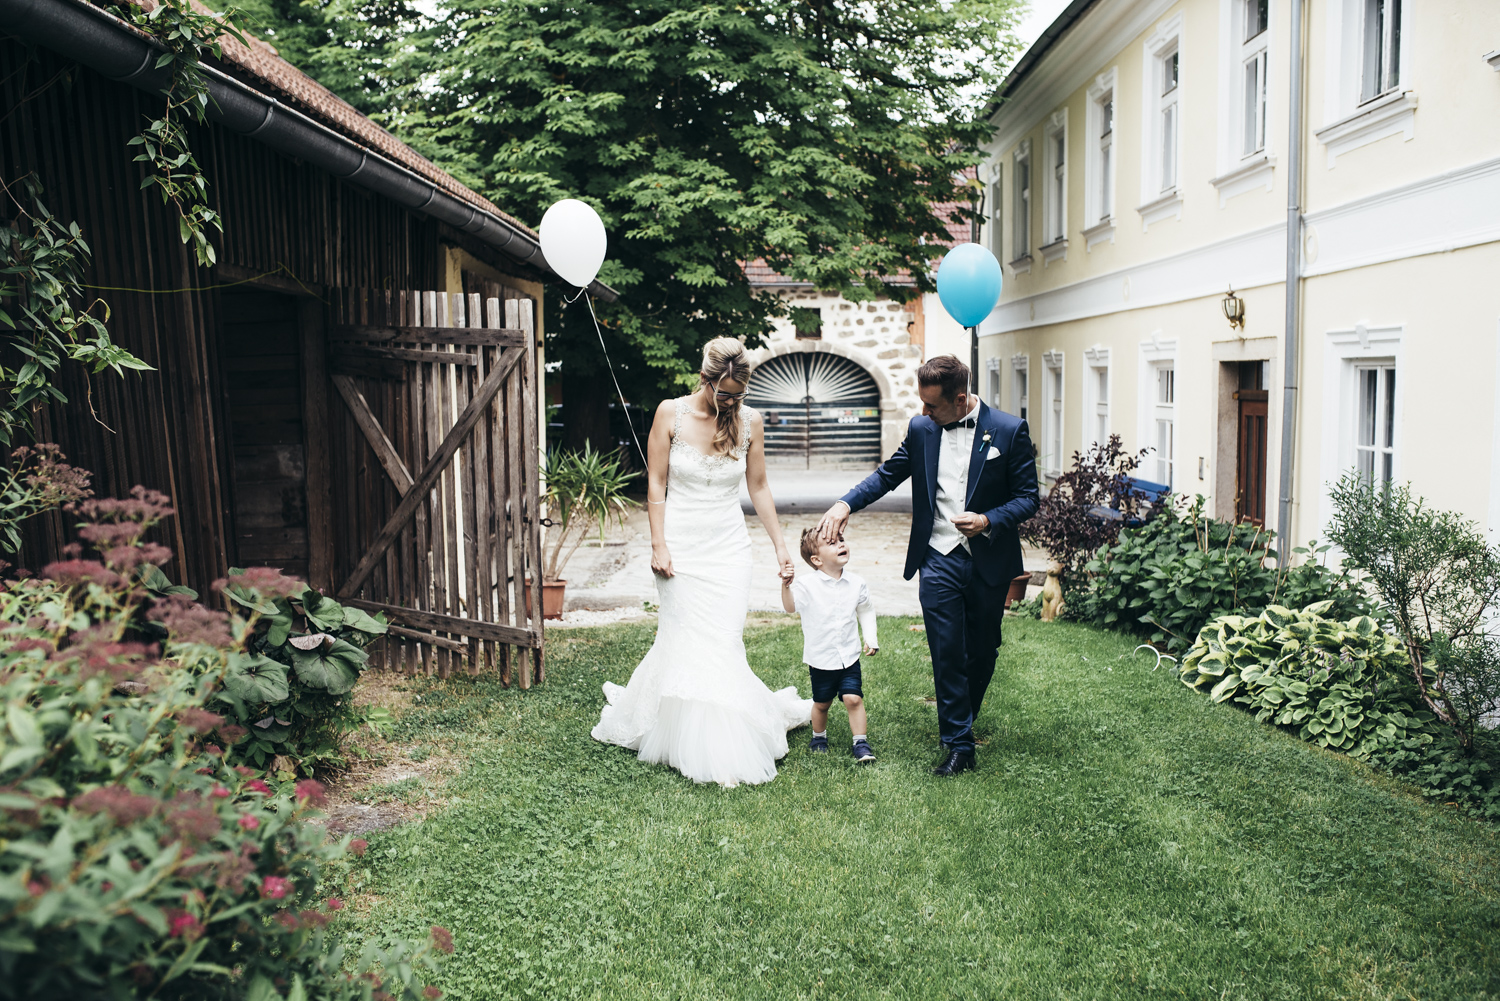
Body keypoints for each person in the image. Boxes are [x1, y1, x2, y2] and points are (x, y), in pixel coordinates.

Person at [591, 337, 812, 786]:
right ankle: (678, 733)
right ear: (706, 378)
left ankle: (723, 733)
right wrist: (658, 544)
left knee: (724, 640)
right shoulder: (669, 413)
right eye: (724, 392)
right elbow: (655, 481)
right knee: (683, 637)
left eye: (739, 393)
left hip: (729, 550)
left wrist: (780, 546)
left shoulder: (750, 421)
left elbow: (760, 486)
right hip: (681, 545)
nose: (731, 401)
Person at [816, 355, 1038, 777]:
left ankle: (961, 718)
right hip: (937, 557)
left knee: (983, 648)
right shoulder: (922, 429)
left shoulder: (1010, 430)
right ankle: (959, 743)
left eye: (932, 405)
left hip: (988, 558)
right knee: (946, 649)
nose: (924, 412)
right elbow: (888, 475)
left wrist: (988, 520)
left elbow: (1028, 498)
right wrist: (846, 504)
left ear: (960, 398)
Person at [781, 528, 879, 764]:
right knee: (822, 703)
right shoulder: (805, 585)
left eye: (841, 540)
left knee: (853, 699)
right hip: (821, 659)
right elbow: (790, 607)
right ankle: (818, 736)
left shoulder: (856, 583)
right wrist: (786, 586)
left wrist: (871, 637)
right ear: (816, 559)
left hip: (849, 656)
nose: (841, 545)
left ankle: (861, 743)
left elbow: (865, 610)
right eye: (832, 543)